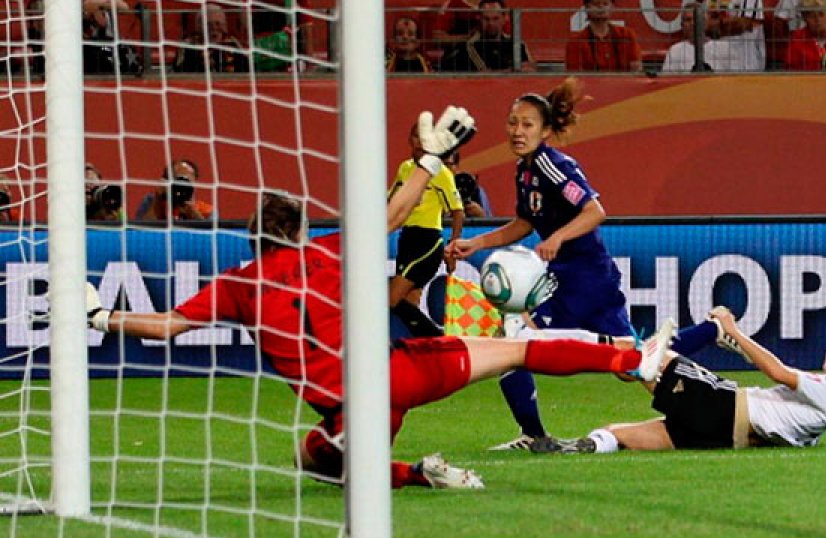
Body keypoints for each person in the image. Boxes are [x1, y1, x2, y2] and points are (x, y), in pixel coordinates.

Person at [80, 109, 678, 487]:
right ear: (297, 231)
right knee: (515, 351)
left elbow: (163, 328)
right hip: (400, 378)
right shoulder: (327, 251)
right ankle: (634, 360)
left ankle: (417, 475)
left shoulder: (238, 284)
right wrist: (429, 160)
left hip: (349, 410)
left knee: (315, 458)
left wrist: (101, 315)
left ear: (253, 237)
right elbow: (393, 214)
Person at [447, 78, 633, 451]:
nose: (518, 131)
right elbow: (524, 223)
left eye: (527, 124)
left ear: (546, 130)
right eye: (513, 123)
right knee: (635, 364)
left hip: (583, 278)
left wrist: (558, 237)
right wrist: (476, 243)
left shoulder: (552, 164)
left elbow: (595, 211)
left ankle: (535, 435)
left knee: (514, 337)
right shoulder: (526, 169)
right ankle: (712, 333)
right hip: (573, 277)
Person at [550, 307, 826, 453]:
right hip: (722, 434)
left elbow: (778, 372)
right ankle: (579, 447)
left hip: (724, 408)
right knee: (615, 434)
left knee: (650, 355)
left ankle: (560, 345)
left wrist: (734, 332)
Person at [386, 121, 465, 332]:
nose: (420, 142)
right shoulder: (405, 168)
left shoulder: (442, 173)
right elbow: (390, 199)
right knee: (410, 303)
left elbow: (458, 212)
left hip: (427, 242)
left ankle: (437, 338)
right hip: (406, 239)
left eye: (424, 137)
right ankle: (426, 348)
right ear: (410, 140)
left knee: (391, 297)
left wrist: (452, 247)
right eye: (416, 136)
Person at [439, 0, 535, 72]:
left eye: (495, 18)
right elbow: (486, 77)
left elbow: (531, 69)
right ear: (479, 18)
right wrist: (512, 71)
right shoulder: (469, 47)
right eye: (486, 19)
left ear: (505, 18)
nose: (491, 24)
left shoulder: (517, 44)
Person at [565, 0, 643, 72]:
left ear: (612, 7)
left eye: (605, 3)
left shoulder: (627, 34)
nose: (601, 7)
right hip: (591, 85)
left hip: (623, 84)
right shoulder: (576, 41)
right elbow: (574, 74)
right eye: (596, 4)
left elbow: (636, 69)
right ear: (586, 8)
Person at [173, 4, 250, 73]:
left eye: (218, 23)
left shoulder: (232, 43)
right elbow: (181, 71)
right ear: (198, 27)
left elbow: (246, 69)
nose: (214, 28)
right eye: (208, 24)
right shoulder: (188, 45)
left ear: (225, 26)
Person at [134, 159, 215, 221]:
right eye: (178, 181)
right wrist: (158, 199)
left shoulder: (207, 210)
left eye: (187, 182)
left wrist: (192, 212)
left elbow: (212, 239)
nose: (182, 186)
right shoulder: (151, 201)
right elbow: (140, 233)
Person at [82, 0, 142, 74]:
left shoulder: (103, 3)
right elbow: (100, 21)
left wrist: (100, 5)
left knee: (126, 51)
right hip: (92, 43)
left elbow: (124, 7)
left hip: (110, 40)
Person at [445, 151, 492, 217]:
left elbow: (490, 222)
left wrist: (480, 214)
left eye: (447, 164)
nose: (443, 169)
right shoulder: (428, 188)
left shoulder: (474, 189)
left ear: (456, 166)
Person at [661, 4, 698, 72]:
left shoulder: (720, 48)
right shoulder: (674, 51)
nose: (692, 23)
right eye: (688, 20)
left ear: (705, 22)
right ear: (682, 25)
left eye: (696, 19)